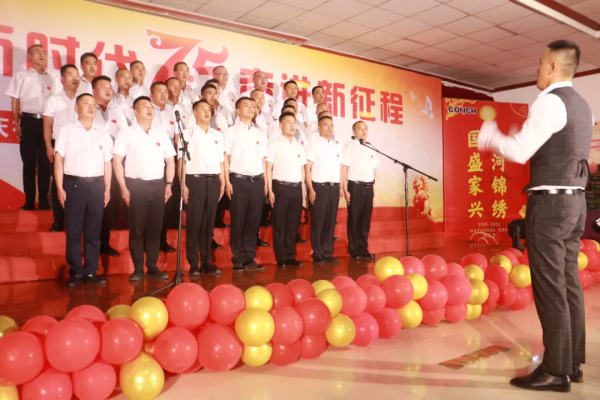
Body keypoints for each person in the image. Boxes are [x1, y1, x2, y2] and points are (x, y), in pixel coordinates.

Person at [478, 40, 591, 393]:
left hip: (551, 206)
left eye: (541, 62)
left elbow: (519, 151)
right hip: (575, 203)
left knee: (550, 287)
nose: (537, 68)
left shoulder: (550, 101)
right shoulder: (582, 105)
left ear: (553, 67)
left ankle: (555, 370)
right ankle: (571, 363)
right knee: (568, 282)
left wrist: (491, 137)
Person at [113, 96, 175, 281]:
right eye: (144, 106)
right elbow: (117, 161)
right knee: (137, 230)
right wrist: (123, 187)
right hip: (136, 186)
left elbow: (170, 161)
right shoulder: (126, 133)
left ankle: (153, 266)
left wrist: (169, 184)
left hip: (158, 185)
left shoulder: (161, 134)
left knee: (155, 230)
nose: (149, 109)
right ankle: (138, 268)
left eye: (151, 106)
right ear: (135, 111)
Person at [54, 93, 113, 287]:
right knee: (73, 231)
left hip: (97, 186)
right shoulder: (67, 131)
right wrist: (60, 187)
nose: (90, 107)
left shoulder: (103, 133)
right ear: (76, 108)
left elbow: (107, 163)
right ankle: (75, 273)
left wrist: (107, 189)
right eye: (85, 103)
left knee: (93, 232)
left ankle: (90, 271)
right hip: (74, 185)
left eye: (93, 104)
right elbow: (59, 160)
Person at [5, 44, 55, 210]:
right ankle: (29, 201)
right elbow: (15, 100)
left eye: (44, 53)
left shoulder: (52, 78)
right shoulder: (21, 76)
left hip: (47, 123)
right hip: (28, 121)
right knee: (28, 164)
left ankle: (43, 201)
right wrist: (16, 123)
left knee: (45, 164)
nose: (42, 55)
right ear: (29, 56)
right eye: (38, 52)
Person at [180, 100, 224, 275]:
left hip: (213, 181)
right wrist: (183, 183)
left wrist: (222, 181)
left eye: (209, 109)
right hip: (195, 181)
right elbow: (182, 161)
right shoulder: (187, 133)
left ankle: (206, 261)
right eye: (203, 109)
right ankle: (193, 262)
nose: (207, 112)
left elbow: (221, 161)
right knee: (194, 222)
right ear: (194, 112)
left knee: (208, 222)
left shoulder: (217, 135)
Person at [224, 97, 268, 272]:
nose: (251, 108)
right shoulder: (231, 132)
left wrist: (265, 182)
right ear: (238, 111)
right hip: (238, 180)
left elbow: (263, 160)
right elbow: (226, 158)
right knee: (238, 219)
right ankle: (237, 256)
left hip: (257, 181)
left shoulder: (260, 133)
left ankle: (249, 256)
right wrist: (227, 181)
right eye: (246, 105)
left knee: (253, 220)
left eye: (253, 106)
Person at [92, 75, 129, 257]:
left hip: (112, 165)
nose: (108, 90)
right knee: (94, 206)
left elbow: (126, 138)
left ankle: (104, 244)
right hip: (92, 166)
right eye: (103, 87)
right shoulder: (87, 110)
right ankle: (91, 244)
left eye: (109, 87)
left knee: (108, 204)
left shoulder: (117, 114)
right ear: (93, 91)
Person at [43, 64, 80, 231]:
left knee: (78, 183)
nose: (75, 78)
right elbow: (47, 125)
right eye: (71, 74)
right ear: (62, 79)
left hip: (80, 147)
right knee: (59, 182)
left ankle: (76, 219)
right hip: (59, 147)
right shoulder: (54, 99)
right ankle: (58, 219)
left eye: (77, 75)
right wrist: (48, 147)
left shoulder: (84, 100)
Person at [266, 111, 306, 268]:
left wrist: (302, 189)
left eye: (294, 123)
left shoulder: (299, 147)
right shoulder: (273, 144)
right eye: (288, 122)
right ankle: (281, 257)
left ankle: (290, 256)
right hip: (280, 187)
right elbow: (268, 168)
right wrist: (270, 190)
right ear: (281, 125)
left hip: (296, 189)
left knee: (293, 225)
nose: (292, 125)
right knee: (279, 224)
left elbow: (302, 170)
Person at [305, 116, 344, 264]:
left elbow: (341, 168)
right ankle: (317, 252)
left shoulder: (336, 147)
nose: (329, 127)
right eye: (326, 125)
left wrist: (341, 187)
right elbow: (307, 168)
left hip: (334, 188)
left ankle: (327, 252)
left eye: (331, 125)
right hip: (319, 187)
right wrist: (310, 188)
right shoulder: (314, 145)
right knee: (318, 221)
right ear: (319, 128)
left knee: (330, 221)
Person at [343, 121, 378, 261]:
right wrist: (345, 189)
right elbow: (344, 169)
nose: (364, 131)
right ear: (354, 132)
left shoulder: (371, 147)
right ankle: (354, 249)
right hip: (355, 187)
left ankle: (363, 248)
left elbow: (374, 169)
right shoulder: (349, 147)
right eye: (360, 129)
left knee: (365, 219)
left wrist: (373, 187)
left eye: (365, 128)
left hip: (368, 187)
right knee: (354, 218)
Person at [149, 81, 177, 252]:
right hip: (150, 163)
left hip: (168, 162)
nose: (164, 94)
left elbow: (176, 139)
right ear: (151, 94)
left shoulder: (172, 114)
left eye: (166, 91)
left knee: (165, 204)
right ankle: (148, 240)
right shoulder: (147, 111)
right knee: (150, 205)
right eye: (159, 91)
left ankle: (162, 240)